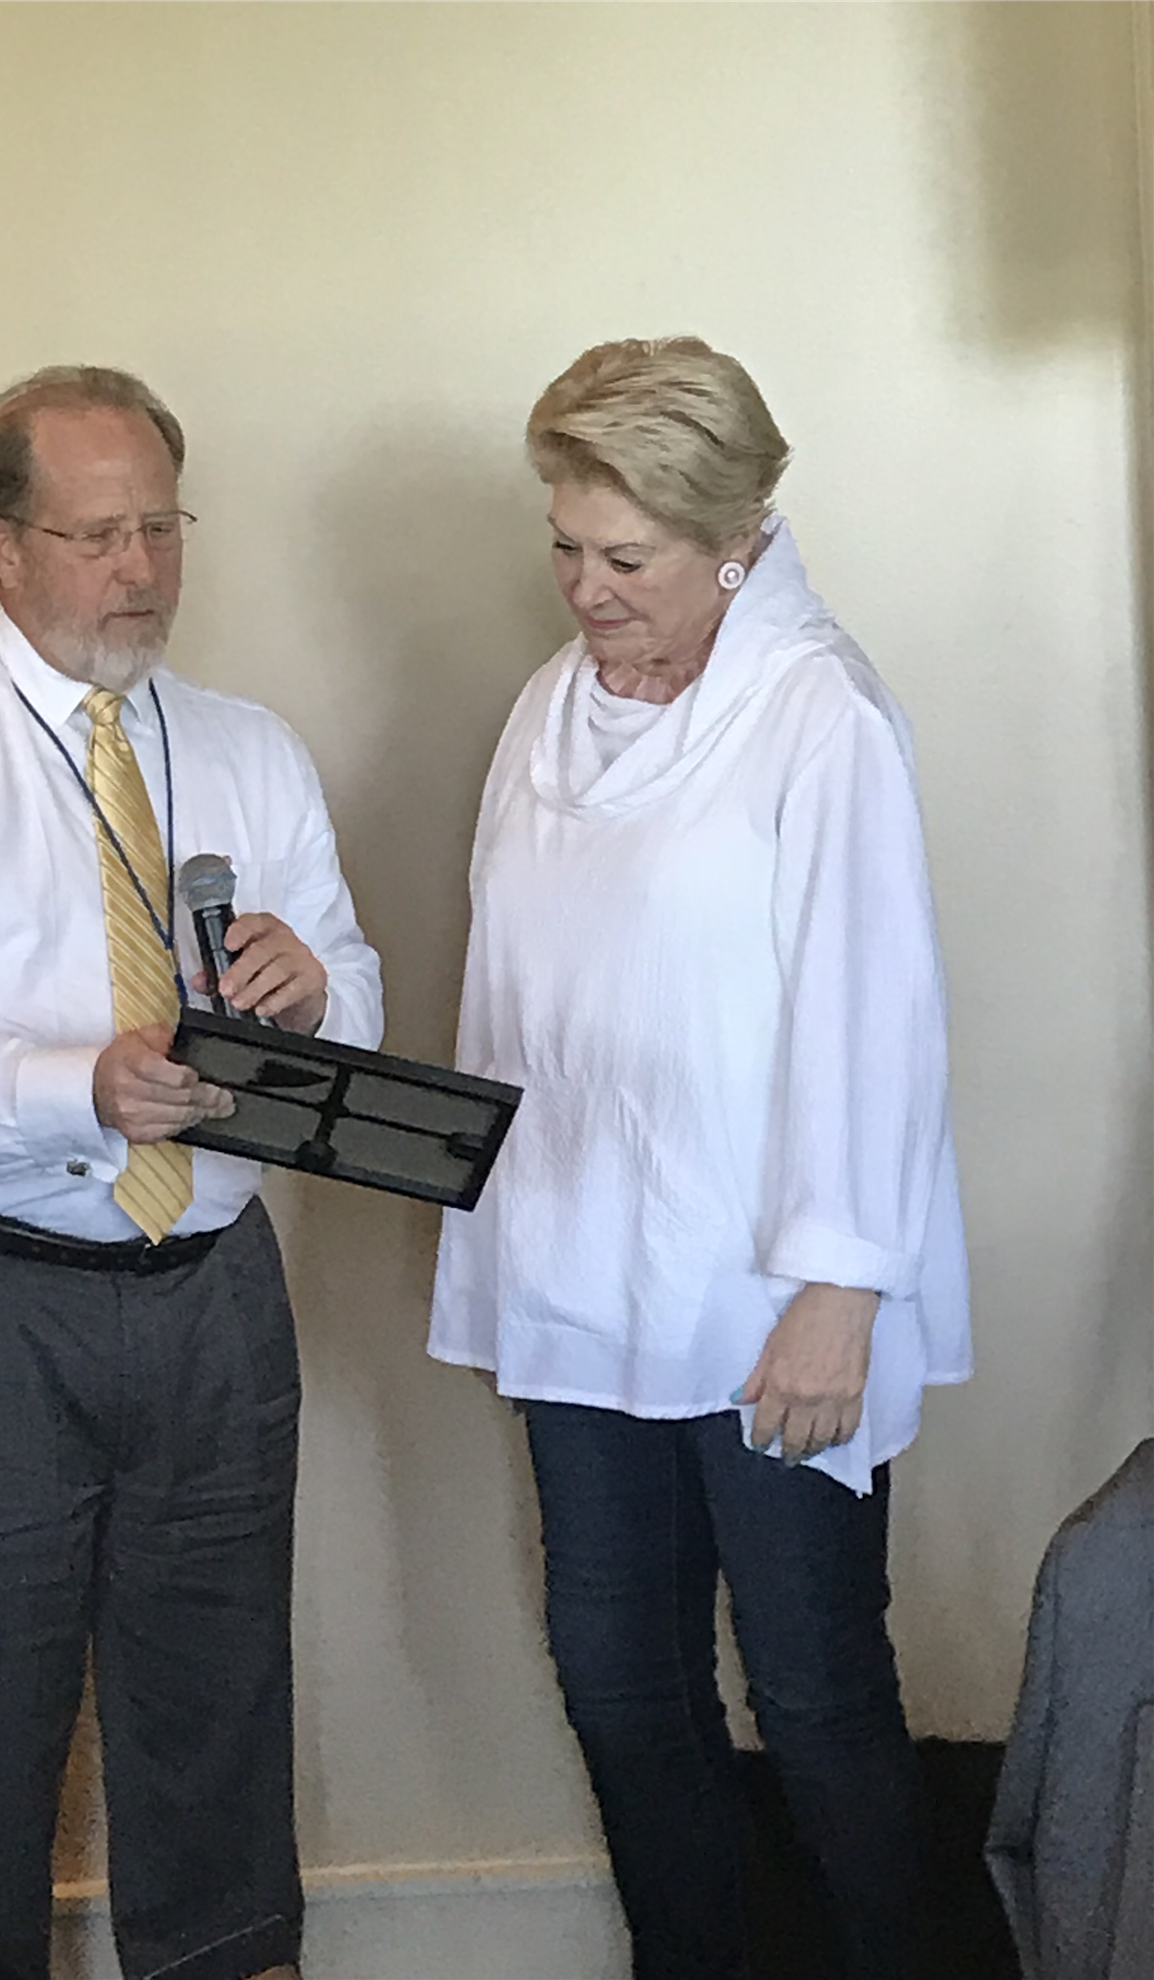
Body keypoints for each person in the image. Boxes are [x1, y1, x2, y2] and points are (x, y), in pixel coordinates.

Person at [0, 365, 383, 1980]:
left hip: (217, 1306)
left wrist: (317, 994)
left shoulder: (251, 747)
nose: (143, 570)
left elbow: (359, 993)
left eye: (163, 528)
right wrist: (83, 1085)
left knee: (220, 1742)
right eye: (98, 535)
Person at [428, 337, 971, 1980]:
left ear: (735, 541)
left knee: (814, 1692)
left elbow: (875, 1015)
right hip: (578, 1280)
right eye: (565, 548)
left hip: (767, 1299)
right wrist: (492, 1232)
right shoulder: (548, 708)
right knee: (617, 1682)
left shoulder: (819, 715)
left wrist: (841, 1288)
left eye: (626, 559)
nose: (585, 591)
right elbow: (511, 995)